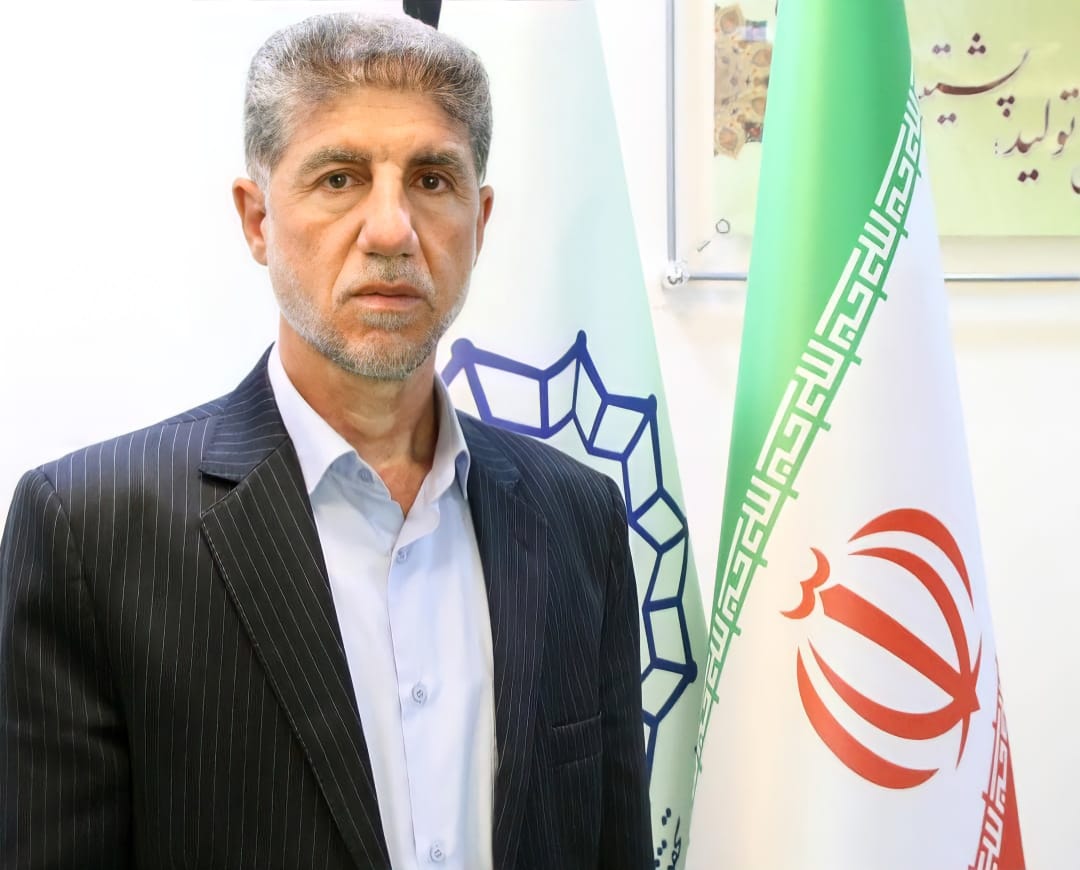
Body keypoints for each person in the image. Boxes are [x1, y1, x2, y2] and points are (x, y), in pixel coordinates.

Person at [0, 12, 651, 870]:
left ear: (481, 219)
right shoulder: (90, 532)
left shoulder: (578, 516)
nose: (392, 230)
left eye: (431, 180)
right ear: (257, 219)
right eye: (340, 178)